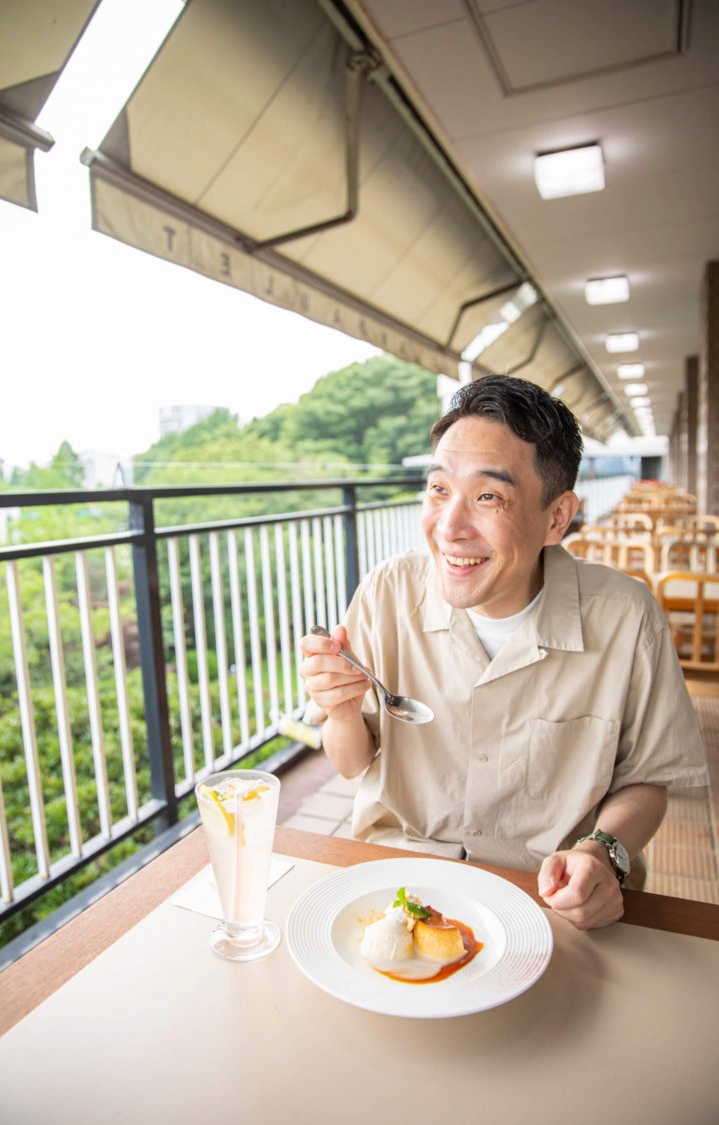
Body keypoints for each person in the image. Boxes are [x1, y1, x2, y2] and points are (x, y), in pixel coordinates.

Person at [299, 374, 707, 931]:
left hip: (550, 900)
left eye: (488, 496)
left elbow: (647, 777)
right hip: (401, 878)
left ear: (557, 517)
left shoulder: (626, 617)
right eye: (440, 489)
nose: (449, 528)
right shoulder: (386, 593)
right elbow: (350, 762)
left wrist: (604, 851)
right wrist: (343, 712)